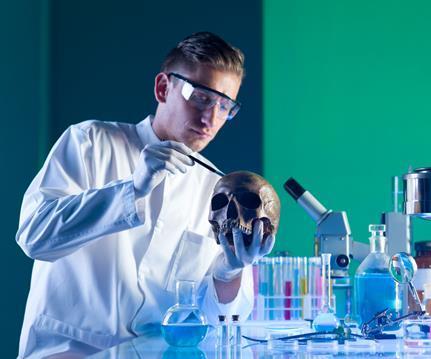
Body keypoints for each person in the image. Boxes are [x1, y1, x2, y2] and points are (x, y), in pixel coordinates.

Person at [16, 31, 275, 358]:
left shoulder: (219, 191)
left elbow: (217, 321)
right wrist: (132, 189)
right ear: (163, 87)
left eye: (225, 106)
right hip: (67, 351)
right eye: (201, 96)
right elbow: (34, 237)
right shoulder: (90, 142)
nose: (211, 118)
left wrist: (230, 272)